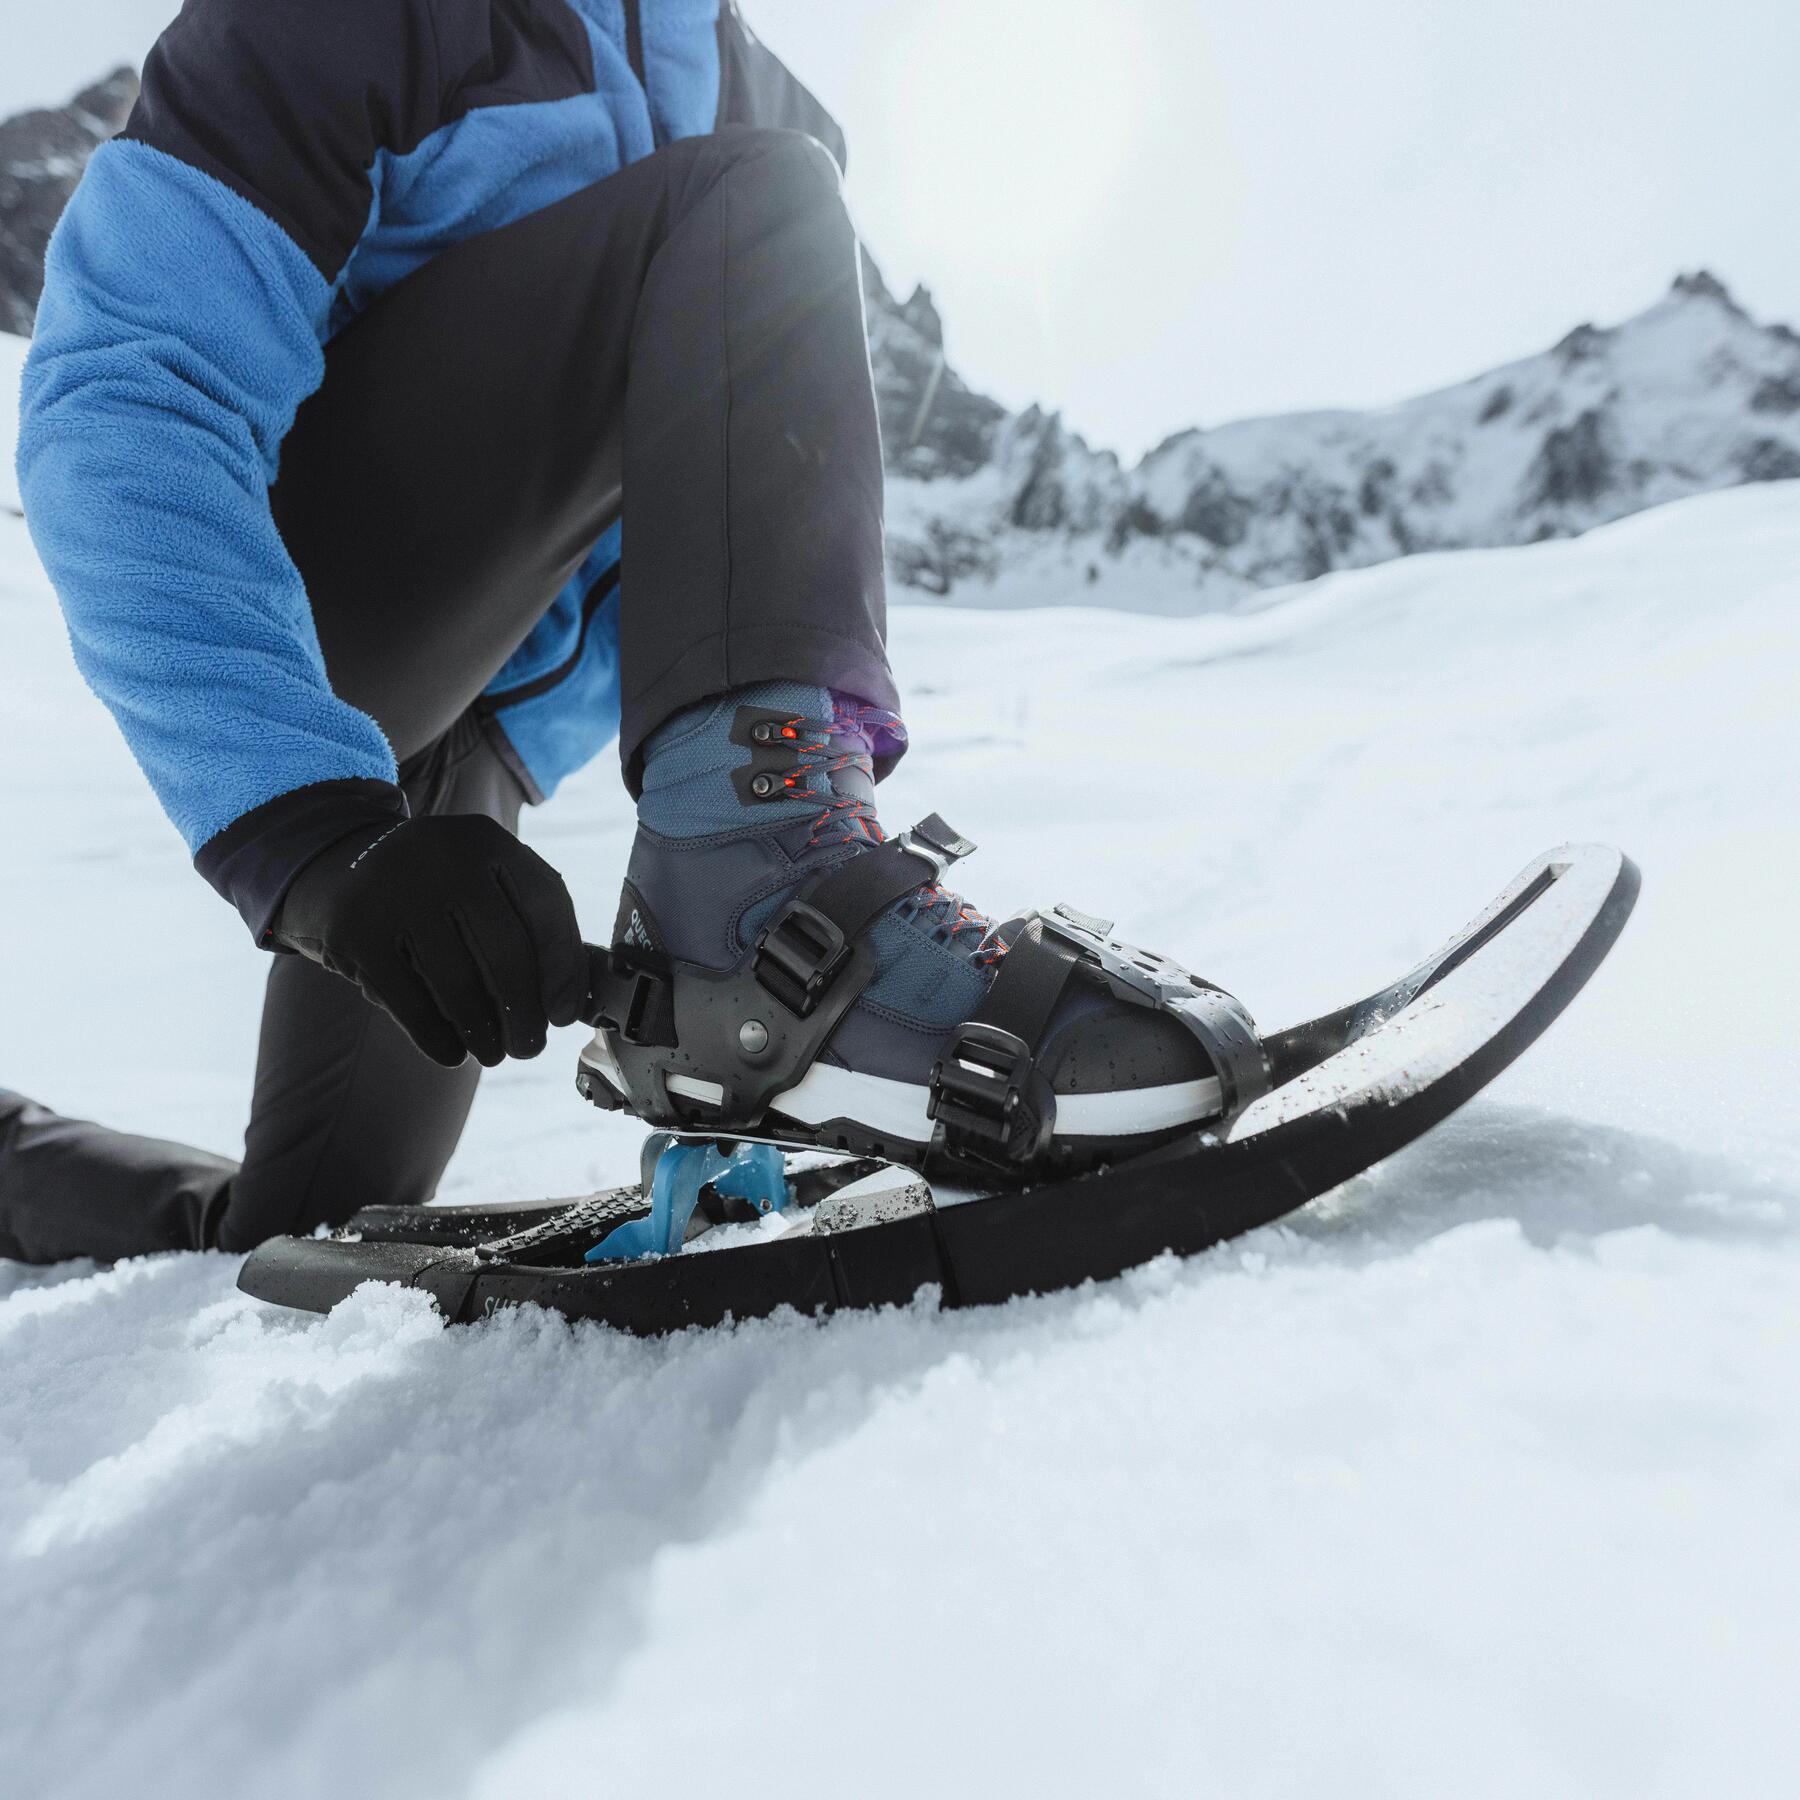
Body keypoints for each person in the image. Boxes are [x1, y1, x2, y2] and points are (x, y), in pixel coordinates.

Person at [3, 0, 1242, 1269]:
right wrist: (309, 827)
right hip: (304, 628)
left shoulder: (756, 89)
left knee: (301, 1234)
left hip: (462, 719)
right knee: (755, 203)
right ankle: (764, 909)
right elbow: (122, 404)